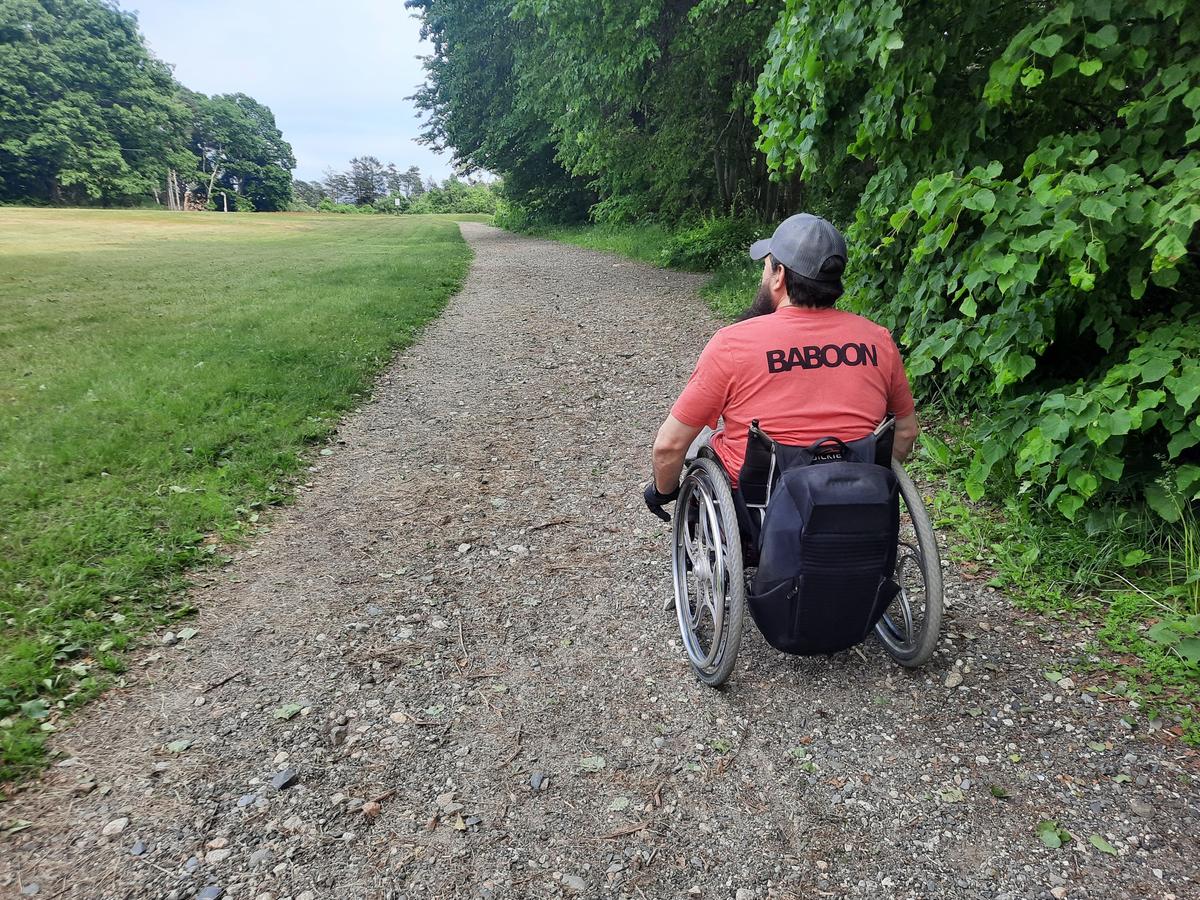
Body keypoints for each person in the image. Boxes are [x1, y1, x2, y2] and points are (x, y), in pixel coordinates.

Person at [644, 213, 919, 521]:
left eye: (766, 265)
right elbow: (906, 433)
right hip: (857, 502)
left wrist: (663, 490)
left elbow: (669, 445)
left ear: (779, 275)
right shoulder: (878, 340)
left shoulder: (733, 344)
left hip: (762, 509)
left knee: (702, 443)